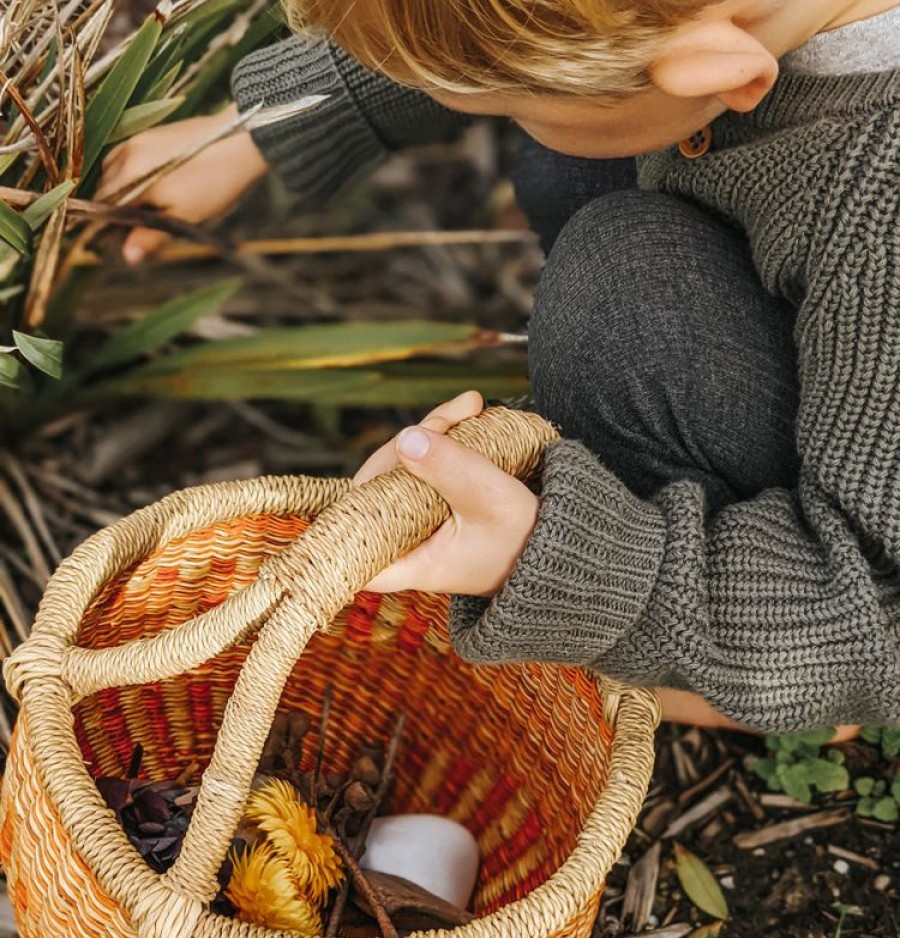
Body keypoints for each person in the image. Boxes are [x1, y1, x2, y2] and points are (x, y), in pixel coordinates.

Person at [100, 0, 900, 735]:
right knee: (575, 161)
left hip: (853, 581)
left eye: (516, 104)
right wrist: (249, 131)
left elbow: (885, 605)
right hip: (809, 294)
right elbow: (491, 27)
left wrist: (572, 567)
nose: (501, 114)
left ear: (719, 73)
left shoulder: (878, 206)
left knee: (618, 284)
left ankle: (762, 682)